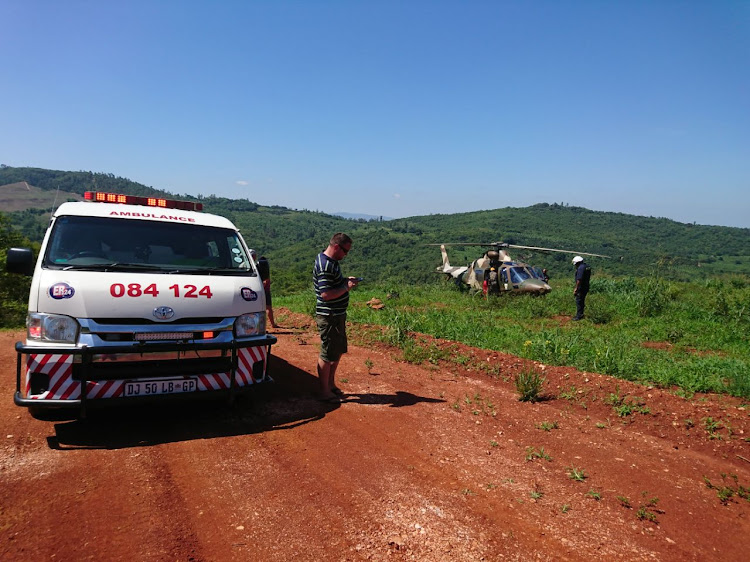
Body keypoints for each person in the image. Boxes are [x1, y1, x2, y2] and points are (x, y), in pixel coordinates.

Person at [312, 233, 359, 402]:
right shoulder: (325, 265)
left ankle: (330, 384)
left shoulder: (331, 262)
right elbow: (325, 294)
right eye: (345, 251)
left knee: (336, 350)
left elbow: (332, 285)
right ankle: (324, 391)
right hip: (329, 315)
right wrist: (346, 287)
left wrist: (344, 281)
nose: (346, 255)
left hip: (336, 314)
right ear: (337, 247)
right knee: (327, 351)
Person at [259, 256, 278, 329]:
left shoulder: (260, 272)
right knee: (269, 308)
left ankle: (262, 326)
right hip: (266, 292)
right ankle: (273, 324)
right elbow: (266, 282)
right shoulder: (266, 273)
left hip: (260, 292)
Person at [572, 256, 590, 321]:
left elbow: (579, 279)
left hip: (581, 287)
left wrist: (576, 288)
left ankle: (579, 316)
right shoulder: (586, 267)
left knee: (579, 301)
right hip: (586, 286)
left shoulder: (580, 268)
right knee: (582, 300)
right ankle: (581, 314)